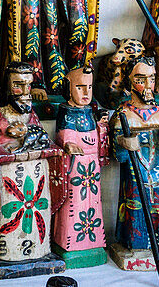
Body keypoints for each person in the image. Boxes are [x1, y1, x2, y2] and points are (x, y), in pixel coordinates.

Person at [0, 63, 64, 276]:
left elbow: (42, 139)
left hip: (36, 180)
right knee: (11, 221)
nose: (26, 92)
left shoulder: (32, 116)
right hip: (9, 184)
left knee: (36, 221)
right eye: (18, 85)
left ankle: (39, 251)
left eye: (29, 85)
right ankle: (8, 255)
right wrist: (6, 144)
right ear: (7, 88)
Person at [108, 56, 159, 271]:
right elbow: (117, 153)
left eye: (151, 79)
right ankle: (135, 245)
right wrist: (123, 142)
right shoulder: (123, 114)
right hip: (136, 177)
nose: (147, 85)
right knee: (135, 207)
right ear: (128, 81)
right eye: (140, 78)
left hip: (158, 175)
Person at [51, 66, 110, 266]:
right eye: (79, 87)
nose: (86, 93)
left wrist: (102, 127)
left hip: (91, 167)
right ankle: (70, 244)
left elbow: (97, 136)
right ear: (68, 88)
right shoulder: (66, 111)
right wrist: (68, 143)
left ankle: (91, 243)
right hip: (74, 167)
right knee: (74, 204)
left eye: (89, 87)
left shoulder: (90, 111)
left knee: (93, 204)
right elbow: (63, 134)